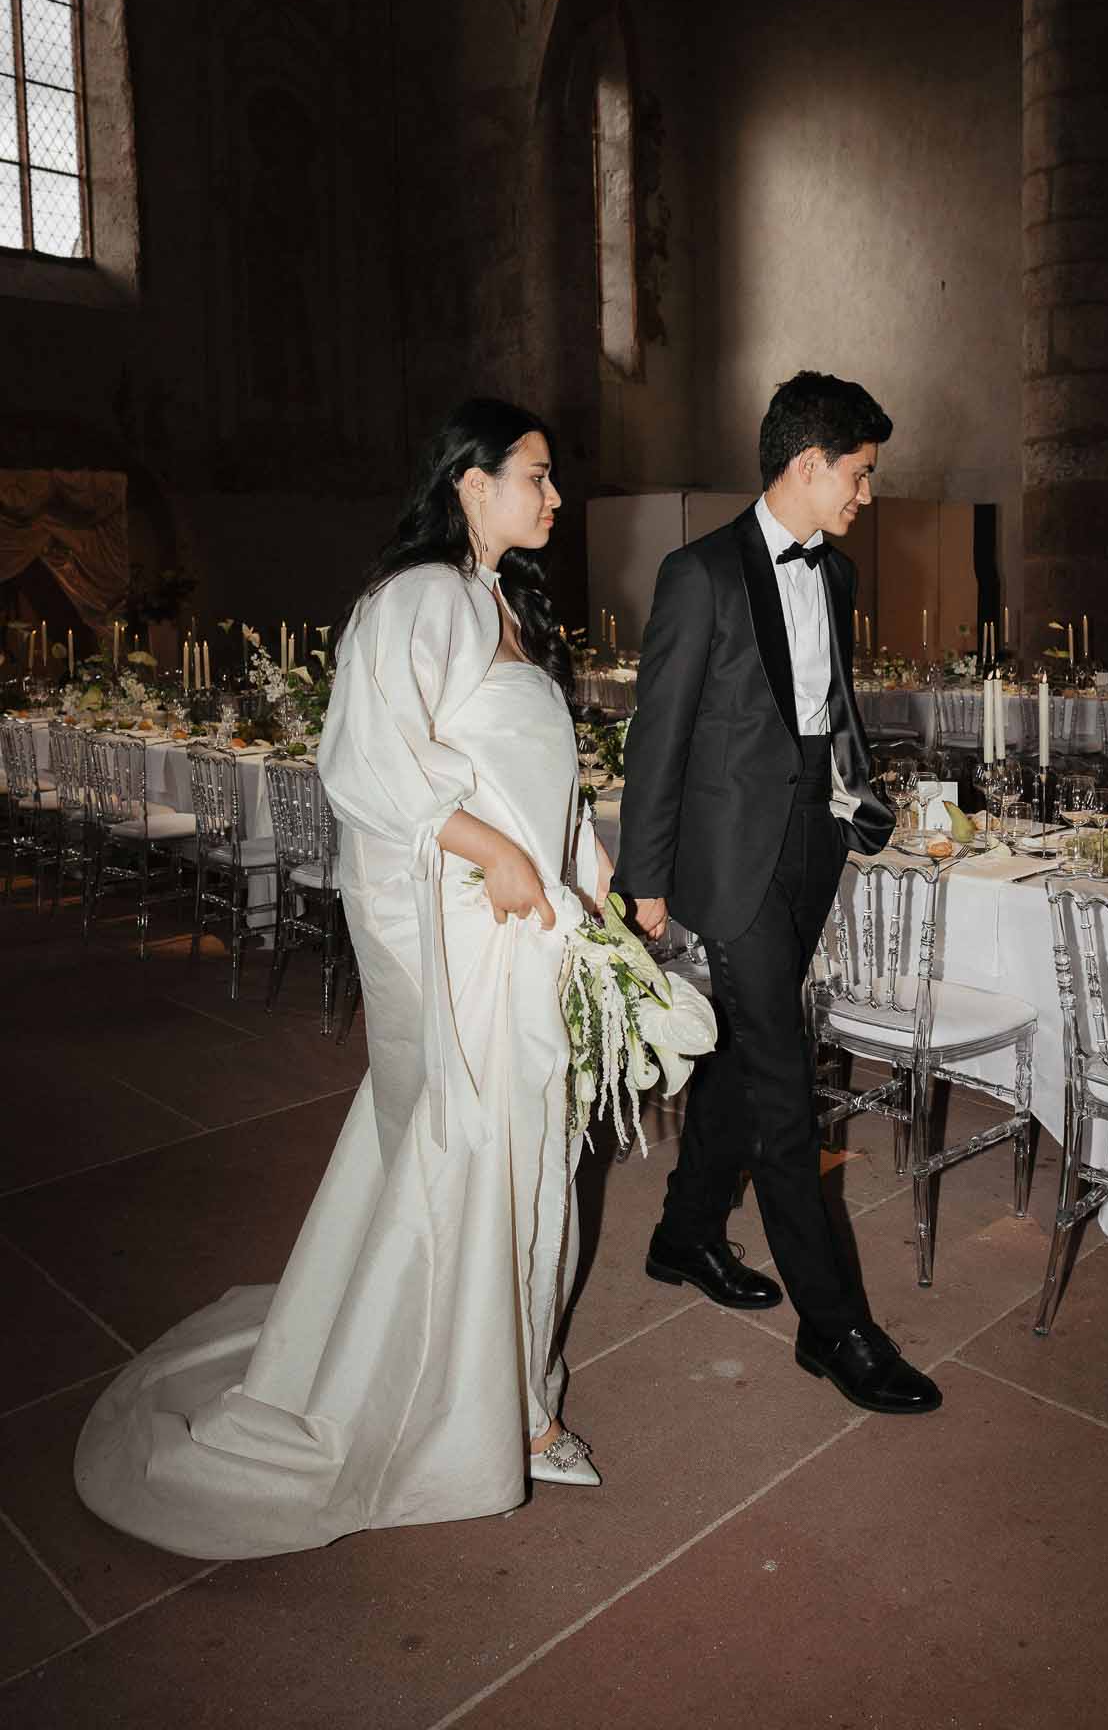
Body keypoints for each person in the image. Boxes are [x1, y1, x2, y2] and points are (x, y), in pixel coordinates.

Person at [73, 399, 612, 1561]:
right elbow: (366, 765)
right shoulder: (416, 597)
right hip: (473, 934)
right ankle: (498, 1412)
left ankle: (514, 1390)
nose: (554, 497)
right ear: (471, 482)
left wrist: (595, 878)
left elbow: (524, 773)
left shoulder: (496, 601)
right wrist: (509, 858)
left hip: (528, 930)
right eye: (537, 475)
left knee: (532, 1165)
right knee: (482, 1158)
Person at [614, 371, 943, 1417]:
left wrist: (858, 799)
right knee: (784, 1083)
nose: (866, 494)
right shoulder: (699, 572)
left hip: (815, 838)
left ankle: (685, 1231)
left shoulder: (837, 574)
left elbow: (827, 703)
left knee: (750, 1049)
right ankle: (834, 1323)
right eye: (859, 473)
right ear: (809, 464)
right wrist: (646, 879)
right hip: (732, 856)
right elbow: (656, 735)